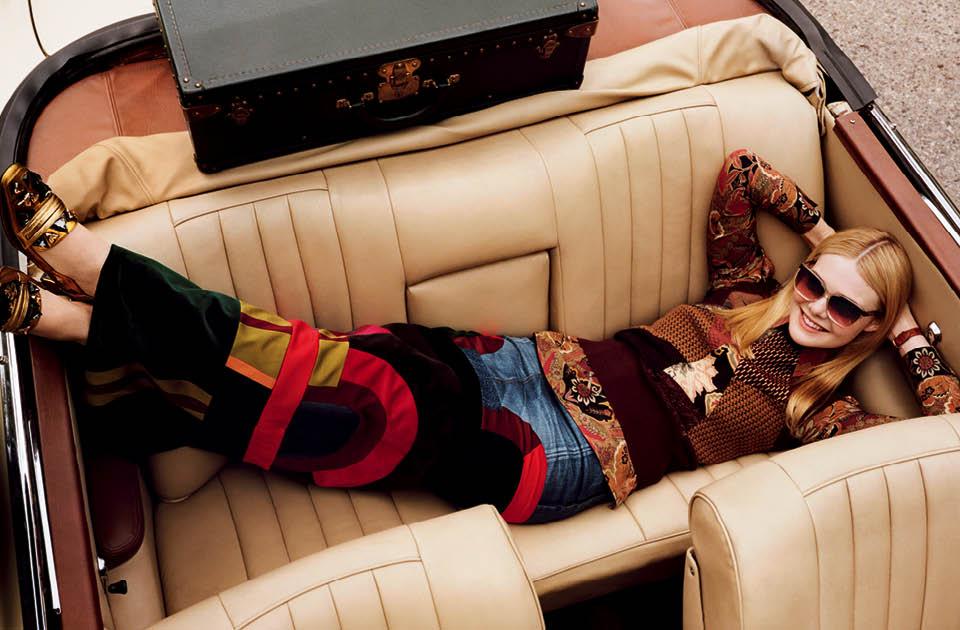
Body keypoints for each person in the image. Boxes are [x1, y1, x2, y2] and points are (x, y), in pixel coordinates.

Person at [1, 150, 957, 525]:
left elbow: (944, 428)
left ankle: (90, 278)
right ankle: (82, 321)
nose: (816, 307)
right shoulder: (746, 289)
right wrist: (829, 238)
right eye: (814, 283)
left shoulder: (815, 412)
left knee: (365, 405)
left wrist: (912, 343)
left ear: (867, 328)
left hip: (565, 456)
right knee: (332, 361)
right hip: (522, 361)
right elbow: (741, 174)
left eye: (844, 309)